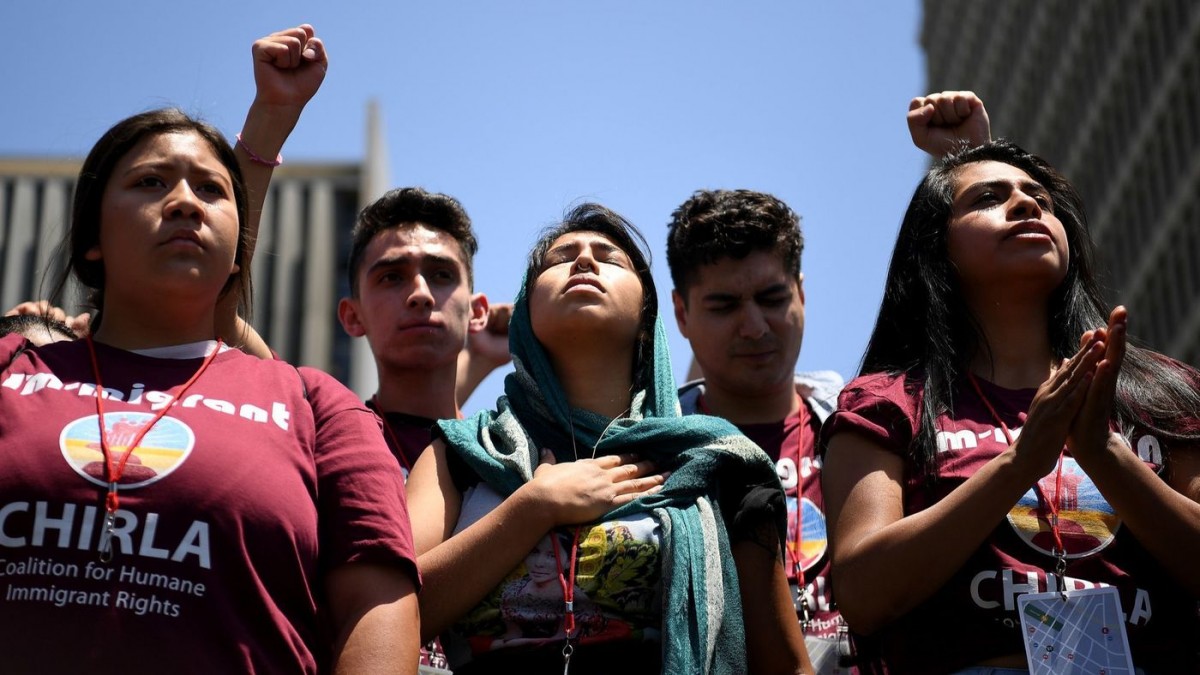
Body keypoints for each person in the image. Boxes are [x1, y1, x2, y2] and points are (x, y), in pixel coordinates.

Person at [0, 26, 421, 674]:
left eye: (212, 190)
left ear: (237, 247)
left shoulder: (317, 406)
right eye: (148, 182)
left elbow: (378, 602)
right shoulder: (8, 368)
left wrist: (270, 121)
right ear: (92, 240)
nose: (184, 203)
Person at [821, 139, 1200, 674]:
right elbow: (863, 593)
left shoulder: (1159, 391)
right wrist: (1019, 464)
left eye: (1041, 199)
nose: (1027, 206)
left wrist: (1103, 452)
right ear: (937, 247)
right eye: (988, 198)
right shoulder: (888, 402)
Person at [406, 203, 812, 674]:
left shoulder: (719, 463)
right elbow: (393, 611)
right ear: (525, 315)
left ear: (646, 319)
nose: (583, 261)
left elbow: (785, 665)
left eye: (609, 257)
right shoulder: (460, 452)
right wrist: (535, 506)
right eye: (559, 259)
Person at [666, 91, 992, 674]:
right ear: (682, 316)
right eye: (723, 306)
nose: (754, 326)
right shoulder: (657, 452)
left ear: (804, 294)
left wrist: (965, 158)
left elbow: (980, 320)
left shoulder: (872, 423)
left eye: (772, 298)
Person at [337, 186, 510, 476]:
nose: (421, 294)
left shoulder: (508, 455)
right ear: (353, 316)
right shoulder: (327, 441)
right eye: (392, 277)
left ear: (477, 312)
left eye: (442, 275)